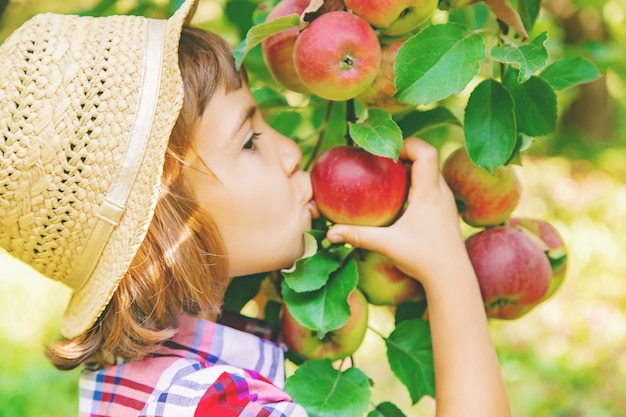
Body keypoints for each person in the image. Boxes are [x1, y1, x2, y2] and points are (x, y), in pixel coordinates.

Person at [0, 0, 511, 416]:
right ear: (164, 227)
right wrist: (449, 272)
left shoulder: (137, 382)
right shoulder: (218, 405)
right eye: (250, 141)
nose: (292, 153)